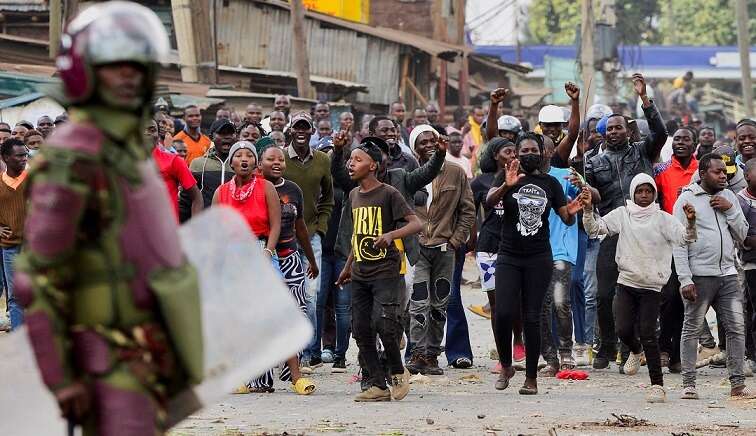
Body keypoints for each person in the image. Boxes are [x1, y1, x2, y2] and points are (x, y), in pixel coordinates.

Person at [15, 4, 203, 434]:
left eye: (136, 66)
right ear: (84, 71)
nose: (128, 76)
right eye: (113, 66)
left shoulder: (123, 152)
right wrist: (61, 379)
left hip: (146, 353)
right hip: (106, 360)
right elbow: (37, 279)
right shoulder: (74, 156)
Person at [332, 134, 445, 387]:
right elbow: (357, 237)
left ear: (379, 161)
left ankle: (395, 367)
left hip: (393, 266)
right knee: (362, 327)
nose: (352, 163)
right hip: (361, 268)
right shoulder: (354, 194)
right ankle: (372, 379)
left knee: (387, 323)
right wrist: (348, 267)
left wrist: (438, 154)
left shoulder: (396, 185)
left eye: (360, 158)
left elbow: (426, 180)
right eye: (352, 157)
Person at [582, 174, 697, 403]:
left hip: (653, 286)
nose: (644, 196)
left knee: (648, 333)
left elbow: (685, 239)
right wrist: (587, 210)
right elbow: (595, 229)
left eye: (648, 191)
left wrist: (691, 223)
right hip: (626, 282)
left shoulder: (663, 218)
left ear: (654, 193)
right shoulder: (623, 214)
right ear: (632, 193)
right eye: (639, 191)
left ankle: (657, 386)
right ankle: (635, 351)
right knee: (623, 329)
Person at [486, 133, 582, 395]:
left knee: (532, 317)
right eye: (524, 150)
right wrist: (507, 185)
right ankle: (506, 365)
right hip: (508, 255)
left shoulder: (551, 183)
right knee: (504, 313)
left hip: (539, 257)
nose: (529, 154)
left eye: (533, 150)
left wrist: (572, 214)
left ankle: (531, 378)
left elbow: (565, 217)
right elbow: (489, 202)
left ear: (542, 153)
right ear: (516, 153)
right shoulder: (507, 175)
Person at [585, 73, 667, 370]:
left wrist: (644, 99)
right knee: (604, 293)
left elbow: (660, 131)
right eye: (610, 128)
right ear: (604, 133)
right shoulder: (593, 162)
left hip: (644, 232)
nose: (615, 132)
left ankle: (632, 348)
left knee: (643, 292)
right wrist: (585, 188)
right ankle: (606, 347)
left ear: (629, 132)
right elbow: (592, 196)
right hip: (612, 232)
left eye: (620, 127)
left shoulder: (642, 151)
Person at [220, 141, 316, 396]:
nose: (244, 159)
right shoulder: (221, 192)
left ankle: (296, 376)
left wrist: (267, 251)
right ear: (231, 162)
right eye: (238, 155)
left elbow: (276, 225)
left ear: (255, 164)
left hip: (262, 250)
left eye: (249, 155)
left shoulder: (266, 188)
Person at [673, 153, 755, 400]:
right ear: (703, 173)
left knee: (736, 329)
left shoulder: (729, 197)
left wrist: (730, 210)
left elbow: (743, 234)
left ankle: (737, 384)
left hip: (728, 274)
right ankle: (689, 384)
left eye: (725, 172)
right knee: (691, 328)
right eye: (717, 172)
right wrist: (684, 279)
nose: (723, 176)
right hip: (699, 276)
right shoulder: (686, 199)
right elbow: (679, 243)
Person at [405, 125, 475, 375]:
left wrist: (457, 240)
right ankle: (418, 353)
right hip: (419, 249)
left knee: (440, 304)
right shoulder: (409, 174)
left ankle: (433, 355)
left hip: (446, 248)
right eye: (422, 142)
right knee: (419, 303)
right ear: (415, 148)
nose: (428, 145)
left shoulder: (456, 172)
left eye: (431, 140)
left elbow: (468, 209)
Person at [282, 112, 335, 369]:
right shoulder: (279, 157)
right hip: (283, 236)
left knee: (311, 297)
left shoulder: (322, 160)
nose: (301, 131)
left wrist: (322, 227)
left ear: (312, 131)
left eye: (306, 127)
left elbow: (328, 197)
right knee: (286, 295)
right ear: (290, 130)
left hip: (312, 235)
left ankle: (305, 352)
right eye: (297, 127)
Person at [470, 138, 525, 373]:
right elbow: (471, 212)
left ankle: (519, 339)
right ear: (495, 156)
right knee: (496, 305)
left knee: (517, 299)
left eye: (516, 151)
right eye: (507, 151)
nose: (513, 155)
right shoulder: (481, 181)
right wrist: (470, 241)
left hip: (517, 245)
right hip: (489, 246)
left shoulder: (526, 178)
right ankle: (503, 357)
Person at [654, 126, 700, 373]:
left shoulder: (700, 169)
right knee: (669, 296)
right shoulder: (662, 170)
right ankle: (664, 348)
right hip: (669, 241)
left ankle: (677, 354)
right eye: (677, 139)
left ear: (694, 144)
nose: (680, 143)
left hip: (696, 240)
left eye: (686, 139)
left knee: (687, 299)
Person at [538, 136, 581, 375]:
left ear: (552, 151)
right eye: (534, 149)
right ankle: (550, 358)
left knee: (560, 302)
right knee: (540, 307)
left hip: (560, 250)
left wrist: (582, 183)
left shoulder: (564, 175)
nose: (540, 153)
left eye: (544, 148)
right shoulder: (522, 177)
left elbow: (590, 195)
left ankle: (566, 352)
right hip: (533, 252)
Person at [145, 119, 203, 220]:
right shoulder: (125, 163)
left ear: (158, 135)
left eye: (152, 130)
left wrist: (195, 229)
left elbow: (197, 198)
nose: (147, 133)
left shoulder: (174, 161)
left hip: (167, 230)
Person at [179, 118, 236, 222]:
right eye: (222, 133)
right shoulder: (197, 164)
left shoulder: (240, 165)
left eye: (231, 133)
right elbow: (185, 199)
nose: (227, 137)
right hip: (205, 226)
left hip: (234, 227)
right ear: (211, 137)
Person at [0, 138, 28, 331]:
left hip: (35, 246)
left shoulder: (33, 179)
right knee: (16, 296)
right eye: (19, 155)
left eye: (25, 155)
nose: (24, 158)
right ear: (5, 158)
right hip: (10, 247)